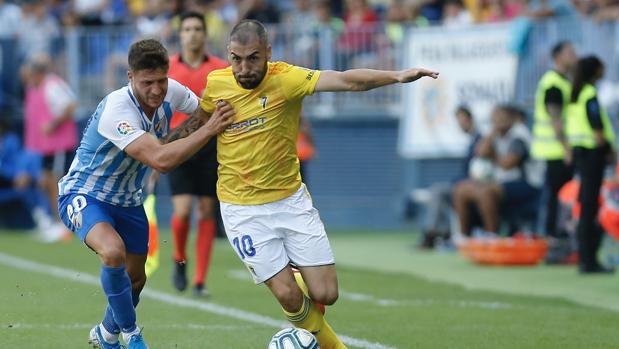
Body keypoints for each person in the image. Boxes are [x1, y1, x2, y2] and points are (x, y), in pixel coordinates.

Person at [173, 20, 437, 349]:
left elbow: (346, 81)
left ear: (268, 53)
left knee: (327, 293)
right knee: (288, 296)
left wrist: (397, 76)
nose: (243, 67)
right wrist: (158, 148)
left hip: (290, 201)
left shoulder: (288, 79)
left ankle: (294, 277)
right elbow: (196, 123)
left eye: (253, 58)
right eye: (235, 58)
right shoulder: (217, 83)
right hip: (241, 209)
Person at [57, 39, 235, 349]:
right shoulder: (117, 109)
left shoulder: (173, 92)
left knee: (136, 279)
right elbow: (161, 160)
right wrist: (207, 130)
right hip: (85, 194)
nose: (156, 90)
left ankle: (106, 335)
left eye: (161, 81)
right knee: (112, 253)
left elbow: (204, 112)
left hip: (128, 200)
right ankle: (133, 337)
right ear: (130, 77)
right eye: (147, 82)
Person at [167, 11, 229, 297]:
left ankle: (200, 280)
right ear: (180, 35)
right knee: (182, 211)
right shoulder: (167, 69)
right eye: (187, 29)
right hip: (178, 147)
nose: (192, 34)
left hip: (209, 147)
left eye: (197, 29)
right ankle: (179, 259)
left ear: (205, 34)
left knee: (206, 211)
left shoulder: (220, 69)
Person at [453, 105, 542, 237]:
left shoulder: (519, 134)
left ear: (512, 118)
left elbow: (508, 164)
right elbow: (480, 152)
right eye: (494, 118)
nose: (497, 121)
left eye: (501, 117)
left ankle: (491, 236)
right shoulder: (496, 133)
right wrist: (493, 132)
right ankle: (464, 237)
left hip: (527, 184)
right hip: (501, 183)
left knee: (486, 192)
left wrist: (492, 155)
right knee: (461, 189)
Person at [565, 56, 616, 274]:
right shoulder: (590, 95)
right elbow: (597, 130)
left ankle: (585, 258)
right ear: (595, 70)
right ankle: (589, 260)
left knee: (585, 205)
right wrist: (610, 150)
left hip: (580, 153)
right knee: (589, 207)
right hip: (593, 155)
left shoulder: (576, 94)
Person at [22, 53, 78, 240]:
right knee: (45, 181)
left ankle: (64, 225)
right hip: (46, 146)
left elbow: (70, 106)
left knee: (56, 181)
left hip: (59, 144)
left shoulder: (53, 85)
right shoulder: (33, 88)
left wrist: (53, 124)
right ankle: (55, 222)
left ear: (37, 73)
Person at [531, 41, 577, 238]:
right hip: (555, 151)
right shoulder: (553, 83)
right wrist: (567, 149)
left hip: (557, 150)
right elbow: (555, 118)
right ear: (558, 57)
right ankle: (553, 237)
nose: (575, 56)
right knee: (556, 198)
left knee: (560, 197)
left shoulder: (563, 81)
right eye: (570, 52)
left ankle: (558, 236)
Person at [418, 106, 481, 248]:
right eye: (458, 121)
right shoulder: (472, 139)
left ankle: (433, 234)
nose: (460, 124)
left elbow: (477, 171)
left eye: (462, 120)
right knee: (439, 192)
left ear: (470, 119)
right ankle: (441, 232)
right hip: (464, 184)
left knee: (439, 191)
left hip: (473, 186)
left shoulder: (480, 139)